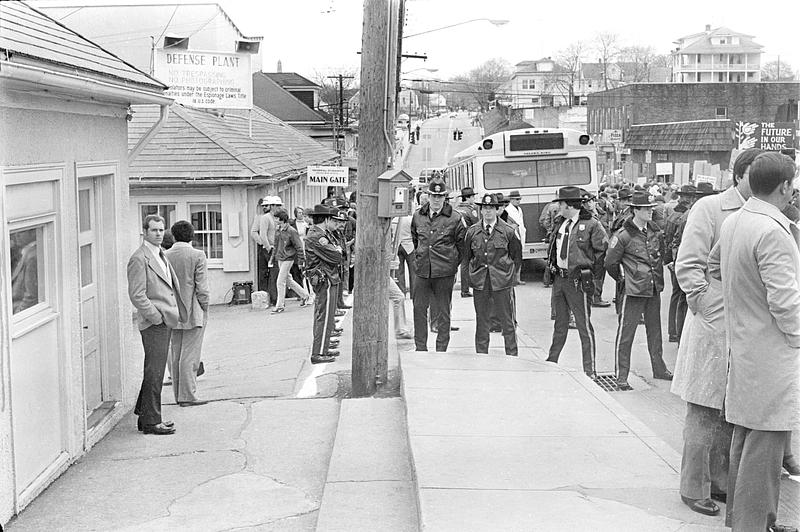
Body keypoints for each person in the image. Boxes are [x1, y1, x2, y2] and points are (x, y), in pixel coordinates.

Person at [709, 152, 799, 532]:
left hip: (744, 345)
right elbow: (787, 304)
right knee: (766, 445)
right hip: (772, 352)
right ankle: (752, 525)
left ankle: (754, 518)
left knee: (747, 439)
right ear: (784, 187)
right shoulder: (772, 231)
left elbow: (714, 267)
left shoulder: (736, 222)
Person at [671, 149, 761, 517]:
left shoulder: (763, 211)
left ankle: (721, 481)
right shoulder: (710, 208)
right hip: (712, 325)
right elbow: (688, 264)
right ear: (739, 175)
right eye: (756, 173)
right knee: (703, 408)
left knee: (729, 408)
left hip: (743, 328)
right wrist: (707, 304)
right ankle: (693, 486)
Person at [605, 191, 673, 391]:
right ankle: (621, 375)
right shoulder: (623, 235)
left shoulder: (654, 232)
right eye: (645, 209)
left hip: (652, 287)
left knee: (655, 331)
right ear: (635, 210)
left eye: (651, 208)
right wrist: (622, 279)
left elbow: (659, 256)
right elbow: (610, 262)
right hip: (633, 290)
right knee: (626, 334)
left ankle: (659, 368)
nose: (650, 212)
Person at [127, 214, 187, 435]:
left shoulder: (159, 253)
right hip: (155, 322)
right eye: (154, 230)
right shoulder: (139, 258)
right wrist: (155, 317)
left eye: (161, 230)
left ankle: (145, 416)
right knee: (155, 372)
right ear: (144, 231)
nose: (159, 234)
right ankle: (152, 422)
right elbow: (137, 295)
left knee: (155, 370)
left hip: (165, 318)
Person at [545, 186, 607, 378]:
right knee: (560, 323)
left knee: (583, 325)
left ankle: (590, 369)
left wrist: (590, 275)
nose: (558, 208)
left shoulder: (591, 225)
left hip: (578, 281)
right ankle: (552, 360)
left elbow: (602, 252)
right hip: (560, 279)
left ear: (569, 205)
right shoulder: (560, 222)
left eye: (561, 204)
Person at [411, 178, 465, 352]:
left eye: (440, 196)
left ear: (445, 197)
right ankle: (420, 348)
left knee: (443, 311)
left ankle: (441, 348)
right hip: (422, 271)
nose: (436, 199)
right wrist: (421, 257)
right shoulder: (418, 216)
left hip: (444, 272)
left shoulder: (455, 218)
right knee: (419, 309)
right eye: (433, 195)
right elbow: (415, 239)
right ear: (428, 196)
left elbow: (462, 245)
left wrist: (451, 265)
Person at [464, 193, 521, 356]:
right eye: (484, 208)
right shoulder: (473, 232)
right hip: (481, 281)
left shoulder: (508, 231)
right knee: (482, 320)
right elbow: (467, 257)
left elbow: (516, 256)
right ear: (480, 210)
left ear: (497, 210)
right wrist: (471, 278)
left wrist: (509, 276)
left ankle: (512, 354)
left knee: (506, 320)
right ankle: (482, 354)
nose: (488, 212)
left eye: (491, 208)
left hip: (501, 282)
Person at [164, 220, 209, 407]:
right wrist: (205, 306)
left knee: (176, 352)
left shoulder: (164, 255)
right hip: (192, 310)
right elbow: (202, 288)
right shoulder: (197, 255)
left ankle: (178, 395)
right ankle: (188, 395)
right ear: (192, 236)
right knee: (190, 355)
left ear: (173, 236)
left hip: (171, 310)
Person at [304, 205, 344, 364]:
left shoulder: (319, 234)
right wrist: (338, 250)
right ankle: (319, 352)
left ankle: (323, 347)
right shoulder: (317, 236)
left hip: (326, 277)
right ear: (326, 219)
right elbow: (335, 256)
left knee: (325, 315)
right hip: (325, 277)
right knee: (325, 316)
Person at [663, 184, 698, 343]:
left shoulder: (674, 215)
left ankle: (673, 331)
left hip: (675, 259)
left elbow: (670, 240)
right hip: (680, 259)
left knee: (676, 295)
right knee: (682, 297)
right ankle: (678, 333)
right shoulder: (687, 216)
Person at [272, 208, 310, 313]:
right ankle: (305, 295)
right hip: (280, 257)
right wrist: (273, 257)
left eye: (276, 218)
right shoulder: (278, 229)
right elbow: (276, 245)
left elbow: (299, 246)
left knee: (280, 281)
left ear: (281, 219)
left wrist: (301, 260)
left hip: (288, 258)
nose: (275, 220)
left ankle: (280, 305)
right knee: (288, 280)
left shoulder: (291, 231)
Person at [581, 190, 611, 307]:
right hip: (594, 250)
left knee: (600, 273)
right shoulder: (585, 217)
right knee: (595, 274)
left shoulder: (601, 213)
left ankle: (597, 296)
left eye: (590, 201)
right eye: (585, 202)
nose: (588, 205)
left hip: (603, 248)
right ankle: (595, 297)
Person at [454, 186, 479, 297]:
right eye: (473, 196)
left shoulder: (456, 208)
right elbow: (476, 224)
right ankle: (465, 290)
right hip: (467, 239)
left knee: (457, 264)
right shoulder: (471, 210)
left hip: (456, 239)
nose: (474, 199)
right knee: (466, 264)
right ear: (469, 198)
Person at [504, 190, 527, 285]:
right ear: (511, 200)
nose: (518, 201)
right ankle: (513, 279)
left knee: (519, 257)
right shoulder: (508, 210)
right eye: (517, 199)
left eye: (519, 199)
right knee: (514, 258)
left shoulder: (519, 209)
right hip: (514, 235)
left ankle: (518, 278)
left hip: (521, 234)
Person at [539, 200, 561, 288]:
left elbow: (544, 221)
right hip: (562, 234)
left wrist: (550, 230)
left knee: (552, 257)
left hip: (553, 234)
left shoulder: (551, 206)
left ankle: (548, 280)